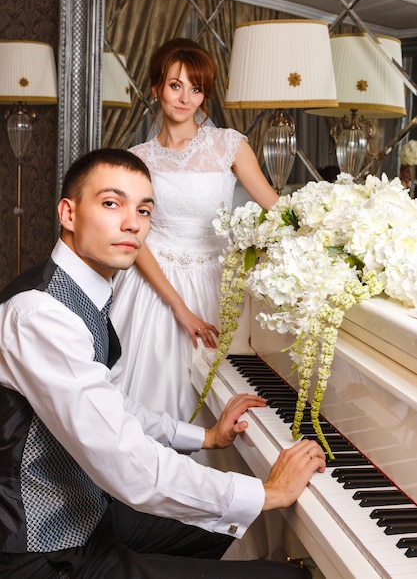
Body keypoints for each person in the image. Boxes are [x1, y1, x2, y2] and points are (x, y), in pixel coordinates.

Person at [0, 148, 325, 578]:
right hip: (44, 551)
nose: (133, 223)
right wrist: (266, 492)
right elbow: (124, 461)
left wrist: (205, 437)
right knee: (287, 572)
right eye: (111, 203)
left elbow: (114, 406)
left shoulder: (85, 291)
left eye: (145, 209)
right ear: (69, 213)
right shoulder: (41, 315)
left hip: (89, 514)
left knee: (231, 526)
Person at [111, 37, 279, 421]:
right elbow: (136, 240)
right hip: (154, 287)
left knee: (221, 391)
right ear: (156, 88)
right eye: (175, 85)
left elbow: (276, 210)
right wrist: (181, 310)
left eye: (196, 88)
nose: (186, 97)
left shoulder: (229, 146)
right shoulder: (137, 159)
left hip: (218, 283)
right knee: (149, 398)